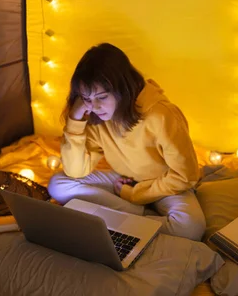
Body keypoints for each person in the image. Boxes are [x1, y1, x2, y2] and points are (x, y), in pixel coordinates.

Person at [48, 43, 206, 241]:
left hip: (166, 184)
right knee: (58, 184)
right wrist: (75, 121)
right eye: (87, 98)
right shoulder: (96, 116)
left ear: (123, 88)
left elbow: (185, 176)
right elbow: (76, 171)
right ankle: (141, 217)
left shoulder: (162, 115)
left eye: (102, 97)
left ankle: (125, 217)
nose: (94, 106)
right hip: (123, 180)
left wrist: (134, 195)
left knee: (191, 227)